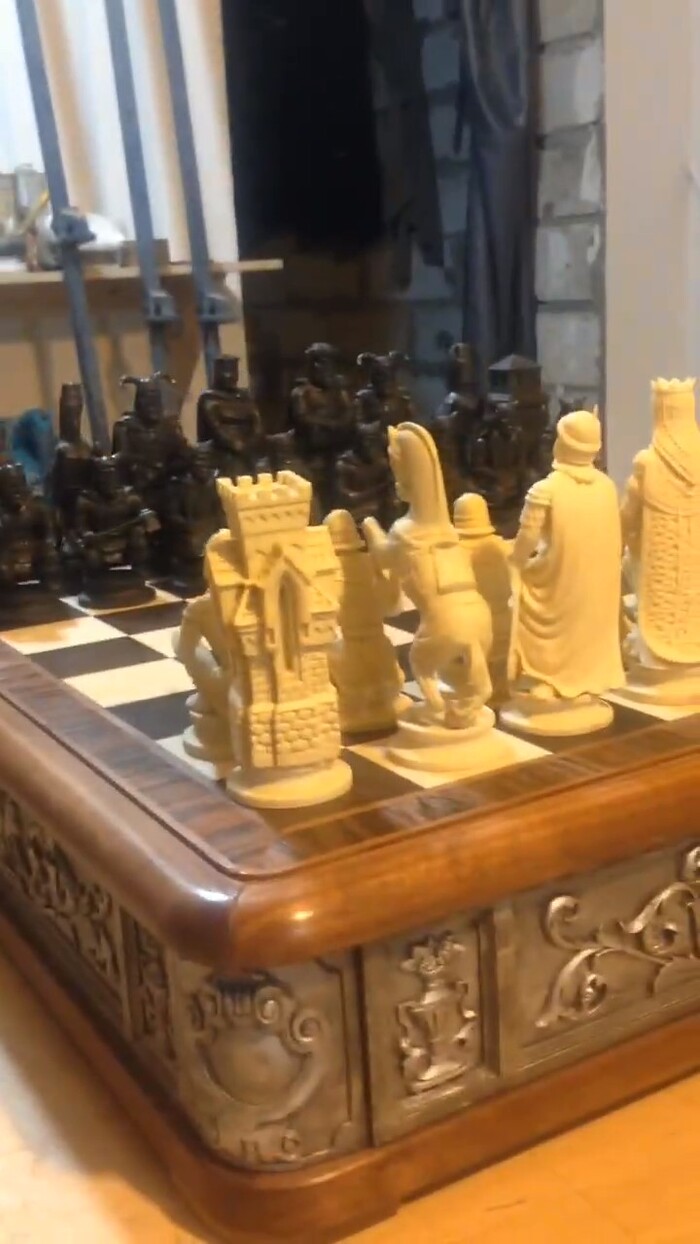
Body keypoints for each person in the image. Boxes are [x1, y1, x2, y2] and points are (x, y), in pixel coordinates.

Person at [504, 409, 624, 732]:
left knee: (528, 595)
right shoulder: (607, 486)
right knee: (586, 617)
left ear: (562, 444)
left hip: (559, 578)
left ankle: (550, 678)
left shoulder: (546, 490)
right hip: (598, 579)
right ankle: (581, 679)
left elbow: (526, 542)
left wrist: (514, 563)